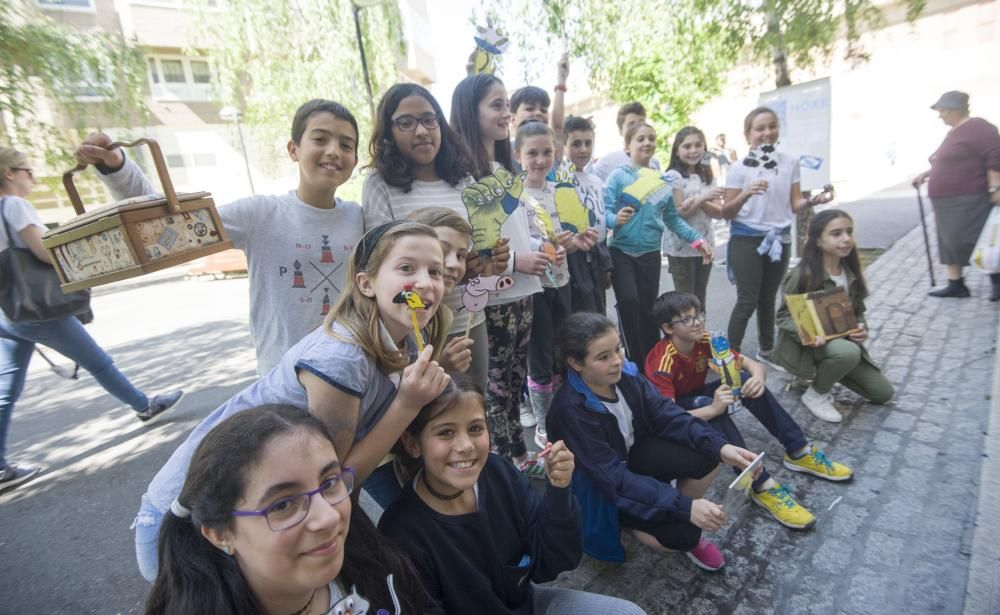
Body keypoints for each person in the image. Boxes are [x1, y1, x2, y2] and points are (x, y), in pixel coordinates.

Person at [132, 221, 451, 581]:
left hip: (269, 509)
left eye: (435, 271)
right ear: (366, 283)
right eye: (407, 268)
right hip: (191, 523)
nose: (425, 282)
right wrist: (407, 404)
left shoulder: (405, 344)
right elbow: (335, 478)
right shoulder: (342, 359)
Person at [75, 100, 365, 375]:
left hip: (347, 371)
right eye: (320, 139)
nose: (333, 151)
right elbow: (166, 223)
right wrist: (116, 167)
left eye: (345, 144)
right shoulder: (260, 213)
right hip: (282, 378)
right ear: (293, 149)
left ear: (354, 159)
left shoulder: (360, 218)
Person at [379, 376, 647, 614]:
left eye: (475, 428)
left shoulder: (497, 471)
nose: (466, 446)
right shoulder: (401, 533)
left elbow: (550, 561)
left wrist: (559, 490)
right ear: (413, 444)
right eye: (445, 432)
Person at [0, 148, 183, 492]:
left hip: (10, 311)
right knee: (98, 362)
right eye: (26, 170)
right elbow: (44, 251)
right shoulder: (14, 206)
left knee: (6, 387)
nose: (33, 178)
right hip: (39, 308)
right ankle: (144, 405)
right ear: (9, 174)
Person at [146, 404, 430, 615]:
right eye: (282, 504)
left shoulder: (372, 563)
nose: (328, 517)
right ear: (220, 534)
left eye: (329, 482)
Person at [547, 312, 758, 571]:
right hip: (602, 488)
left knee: (708, 453)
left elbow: (666, 414)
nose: (617, 361)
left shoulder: (626, 375)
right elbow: (612, 478)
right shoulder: (571, 411)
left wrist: (721, 446)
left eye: (618, 348)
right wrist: (684, 507)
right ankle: (628, 521)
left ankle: (669, 510)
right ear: (575, 363)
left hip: (631, 458)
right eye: (603, 357)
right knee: (684, 536)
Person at [645, 291, 854, 530]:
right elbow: (666, 418)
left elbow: (752, 365)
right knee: (710, 407)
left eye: (698, 315)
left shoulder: (705, 339)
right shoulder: (661, 360)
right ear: (668, 328)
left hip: (699, 395)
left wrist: (757, 379)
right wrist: (713, 408)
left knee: (743, 379)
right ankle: (761, 484)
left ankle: (798, 449)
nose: (697, 322)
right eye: (686, 319)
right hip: (676, 411)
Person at [362, 83, 509, 390]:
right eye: (406, 122)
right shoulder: (380, 184)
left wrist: (485, 261)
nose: (421, 131)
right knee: (427, 413)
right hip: (412, 326)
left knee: (472, 404)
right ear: (388, 132)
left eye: (430, 120)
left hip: (466, 317)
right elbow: (381, 262)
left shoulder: (463, 178)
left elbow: (475, 253)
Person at [450, 73, 547, 466]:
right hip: (494, 295)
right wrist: (513, 260)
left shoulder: (505, 167)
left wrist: (539, 251)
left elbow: (517, 228)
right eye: (496, 104)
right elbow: (470, 238)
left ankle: (517, 455)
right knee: (495, 389)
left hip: (524, 290)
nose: (507, 113)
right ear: (469, 113)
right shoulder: (463, 174)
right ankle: (505, 464)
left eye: (507, 104)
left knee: (513, 379)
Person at [722, 106, 833, 358]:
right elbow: (726, 211)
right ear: (748, 134)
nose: (767, 133)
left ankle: (767, 348)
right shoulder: (739, 168)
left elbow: (796, 205)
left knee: (769, 296)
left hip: (779, 238)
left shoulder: (790, 162)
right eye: (760, 128)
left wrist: (815, 200)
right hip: (747, 239)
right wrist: (746, 192)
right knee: (747, 299)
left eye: (772, 126)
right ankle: (729, 355)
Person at [515, 120, 593, 451]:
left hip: (562, 281)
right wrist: (539, 244)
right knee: (539, 356)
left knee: (564, 346)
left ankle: (566, 412)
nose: (540, 160)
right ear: (518, 155)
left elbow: (573, 234)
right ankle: (545, 424)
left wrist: (575, 241)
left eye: (547, 152)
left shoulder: (560, 189)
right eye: (532, 153)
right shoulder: (513, 195)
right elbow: (512, 241)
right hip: (532, 288)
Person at [604, 122, 712, 363]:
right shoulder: (618, 176)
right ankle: (633, 360)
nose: (647, 143)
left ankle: (653, 361)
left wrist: (698, 241)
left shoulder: (663, 181)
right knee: (629, 302)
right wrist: (614, 219)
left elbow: (673, 219)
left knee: (648, 309)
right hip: (621, 252)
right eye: (640, 139)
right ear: (627, 146)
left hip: (650, 254)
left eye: (651, 138)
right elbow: (604, 214)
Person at [773, 210, 894, 422]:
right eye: (836, 234)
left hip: (841, 345)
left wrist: (860, 328)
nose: (846, 239)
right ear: (818, 240)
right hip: (810, 346)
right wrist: (809, 332)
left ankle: (827, 372)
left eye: (849, 232)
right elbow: (783, 317)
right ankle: (816, 394)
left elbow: (858, 312)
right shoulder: (803, 275)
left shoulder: (850, 271)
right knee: (847, 352)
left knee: (883, 393)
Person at [912, 91, 1000, 299]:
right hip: (947, 201)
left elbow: (995, 157)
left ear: (955, 109)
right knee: (949, 241)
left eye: (942, 110)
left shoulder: (979, 127)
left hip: (969, 197)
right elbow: (949, 161)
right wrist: (926, 174)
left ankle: (997, 280)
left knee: (976, 240)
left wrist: (996, 187)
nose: (940, 115)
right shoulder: (954, 132)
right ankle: (956, 284)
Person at [663, 127, 725, 310]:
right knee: (685, 301)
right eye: (687, 146)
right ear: (677, 150)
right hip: (681, 248)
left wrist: (699, 201)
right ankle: (685, 338)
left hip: (706, 244)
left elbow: (718, 212)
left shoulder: (707, 175)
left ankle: (701, 338)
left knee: (700, 299)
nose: (693, 150)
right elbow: (677, 214)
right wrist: (704, 198)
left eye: (698, 145)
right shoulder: (673, 176)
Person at [563, 115, 612, 315]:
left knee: (600, 307)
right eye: (576, 144)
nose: (583, 149)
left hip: (598, 252)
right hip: (576, 255)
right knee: (584, 312)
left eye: (587, 143)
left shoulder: (595, 180)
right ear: (563, 145)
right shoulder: (560, 176)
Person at [587, 102, 660, 182]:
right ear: (621, 131)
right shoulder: (609, 161)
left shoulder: (654, 163)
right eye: (631, 124)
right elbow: (588, 180)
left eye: (641, 123)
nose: (637, 128)